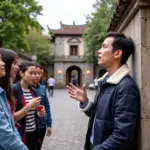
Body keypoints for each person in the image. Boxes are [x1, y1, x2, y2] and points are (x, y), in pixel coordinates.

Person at [66, 32, 140, 150]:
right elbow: (103, 117)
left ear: (117, 53)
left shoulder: (126, 88)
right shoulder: (105, 82)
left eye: (104, 46)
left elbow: (122, 136)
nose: (98, 51)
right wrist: (85, 102)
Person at [12, 62, 45, 150]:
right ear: (21, 73)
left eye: (35, 73)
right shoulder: (13, 90)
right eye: (31, 73)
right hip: (20, 134)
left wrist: (39, 113)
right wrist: (29, 106)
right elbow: (12, 117)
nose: (34, 76)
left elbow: (33, 114)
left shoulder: (32, 90)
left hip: (33, 133)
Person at [0, 50, 28, 150]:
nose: (17, 67)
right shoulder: (11, 89)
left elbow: (10, 121)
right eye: (14, 63)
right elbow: (4, 134)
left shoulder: (5, 89)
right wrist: (28, 108)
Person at [32, 63, 52, 150]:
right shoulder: (25, 88)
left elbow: (47, 106)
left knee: (38, 147)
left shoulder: (42, 88)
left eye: (39, 73)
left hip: (42, 125)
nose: (37, 76)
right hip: (30, 125)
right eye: (34, 73)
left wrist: (49, 124)